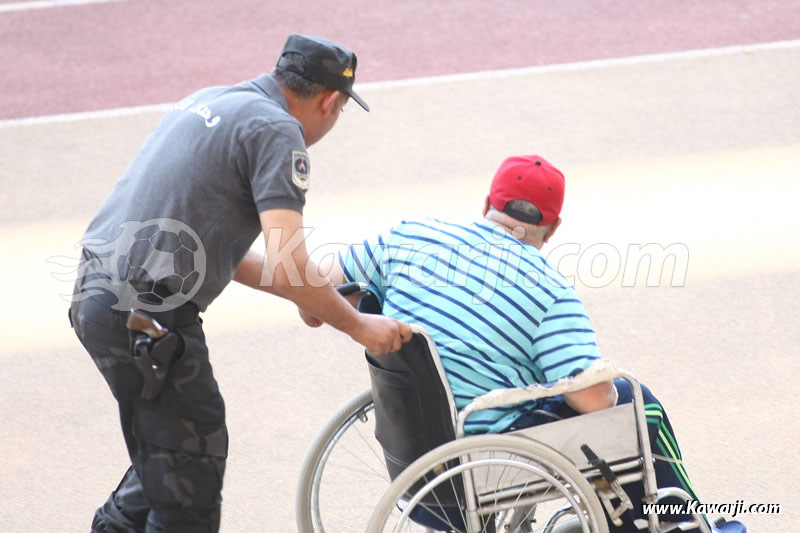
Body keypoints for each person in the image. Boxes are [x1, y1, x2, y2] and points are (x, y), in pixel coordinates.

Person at [68, 34, 412, 532]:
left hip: (98, 294)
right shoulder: (278, 131)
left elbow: (224, 252)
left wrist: (320, 297)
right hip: (149, 313)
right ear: (329, 101)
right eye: (339, 112)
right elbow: (290, 260)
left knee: (171, 452)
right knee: (191, 486)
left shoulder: (213, 99)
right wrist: (359, 326)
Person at [311, 154, 739, 532]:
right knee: (632, 402)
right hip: (488, 454)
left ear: (486, 206)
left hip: (414, 450)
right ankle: (680, 523)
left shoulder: (411, 237)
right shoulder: (548, 288)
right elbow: (593, 400)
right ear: (551, 229)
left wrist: (364, 306)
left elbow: (320, 279)